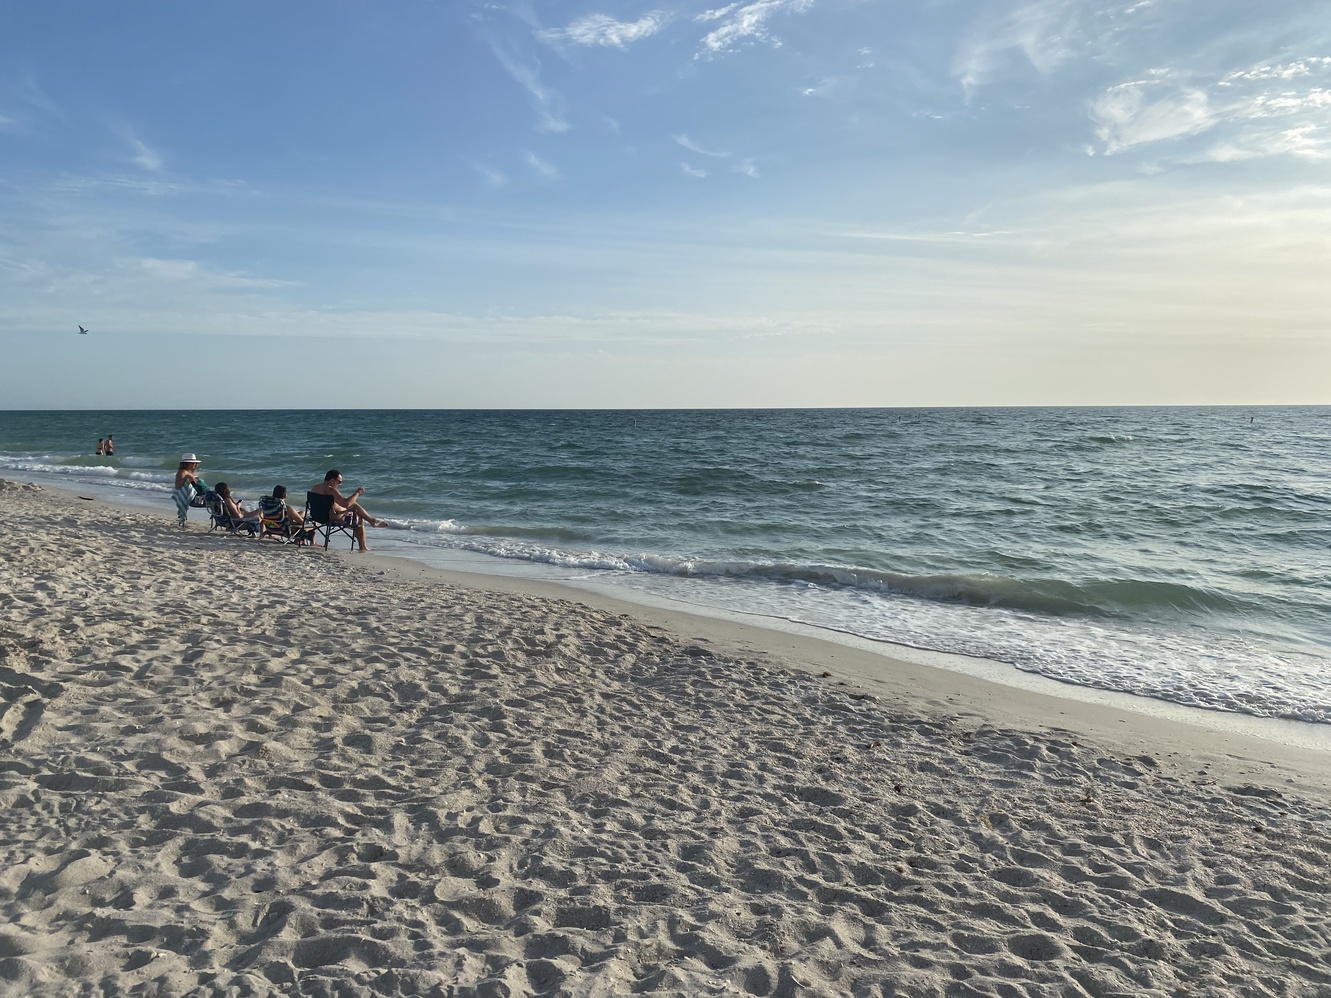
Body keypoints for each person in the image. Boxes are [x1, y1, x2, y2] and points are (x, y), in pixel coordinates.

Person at [309, 469, 388, 551]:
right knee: (357, 515)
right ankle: (363, 545)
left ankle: (372, 521)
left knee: (353, 507)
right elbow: (346, 504)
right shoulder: (330, 490)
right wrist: (358, 493)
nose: (340, 484)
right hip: (330, 517)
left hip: (317, 516)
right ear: (332, 480)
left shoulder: (315, 488)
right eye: (339, 482)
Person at [172, 453, 206, 527]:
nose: (195, 465)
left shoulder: (189, 472)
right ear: (187, 464)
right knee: (223, 499)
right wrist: (186, 477)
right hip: (199, 498)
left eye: (195, 463)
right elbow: (177, 485)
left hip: (204, 494)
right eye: (193, 463)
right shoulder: (183, 472)